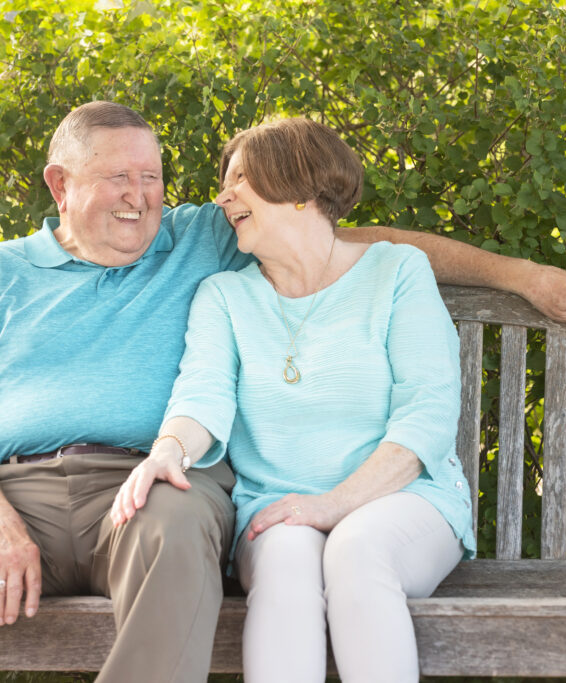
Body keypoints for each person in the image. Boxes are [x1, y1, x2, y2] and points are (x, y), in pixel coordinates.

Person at [0, 101, 566, 683]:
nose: (140, 196)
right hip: (15, 495)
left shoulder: (203, 236)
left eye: (150, 177)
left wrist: (523, 277)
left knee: (183, 521)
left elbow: (348, 240)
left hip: (149, 488)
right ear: (60, 184)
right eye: (118, 177)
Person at [110, 117, 475, 682]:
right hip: (276, 506)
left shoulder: (396, 271)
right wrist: (169, 450)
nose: (223, 198)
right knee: (283, 567)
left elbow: (426, 413)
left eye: (240, 180)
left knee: (356, 551)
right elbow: (202, 392)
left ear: (301, 190)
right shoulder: (225, 297)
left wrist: (333, 505)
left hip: (405, 498)